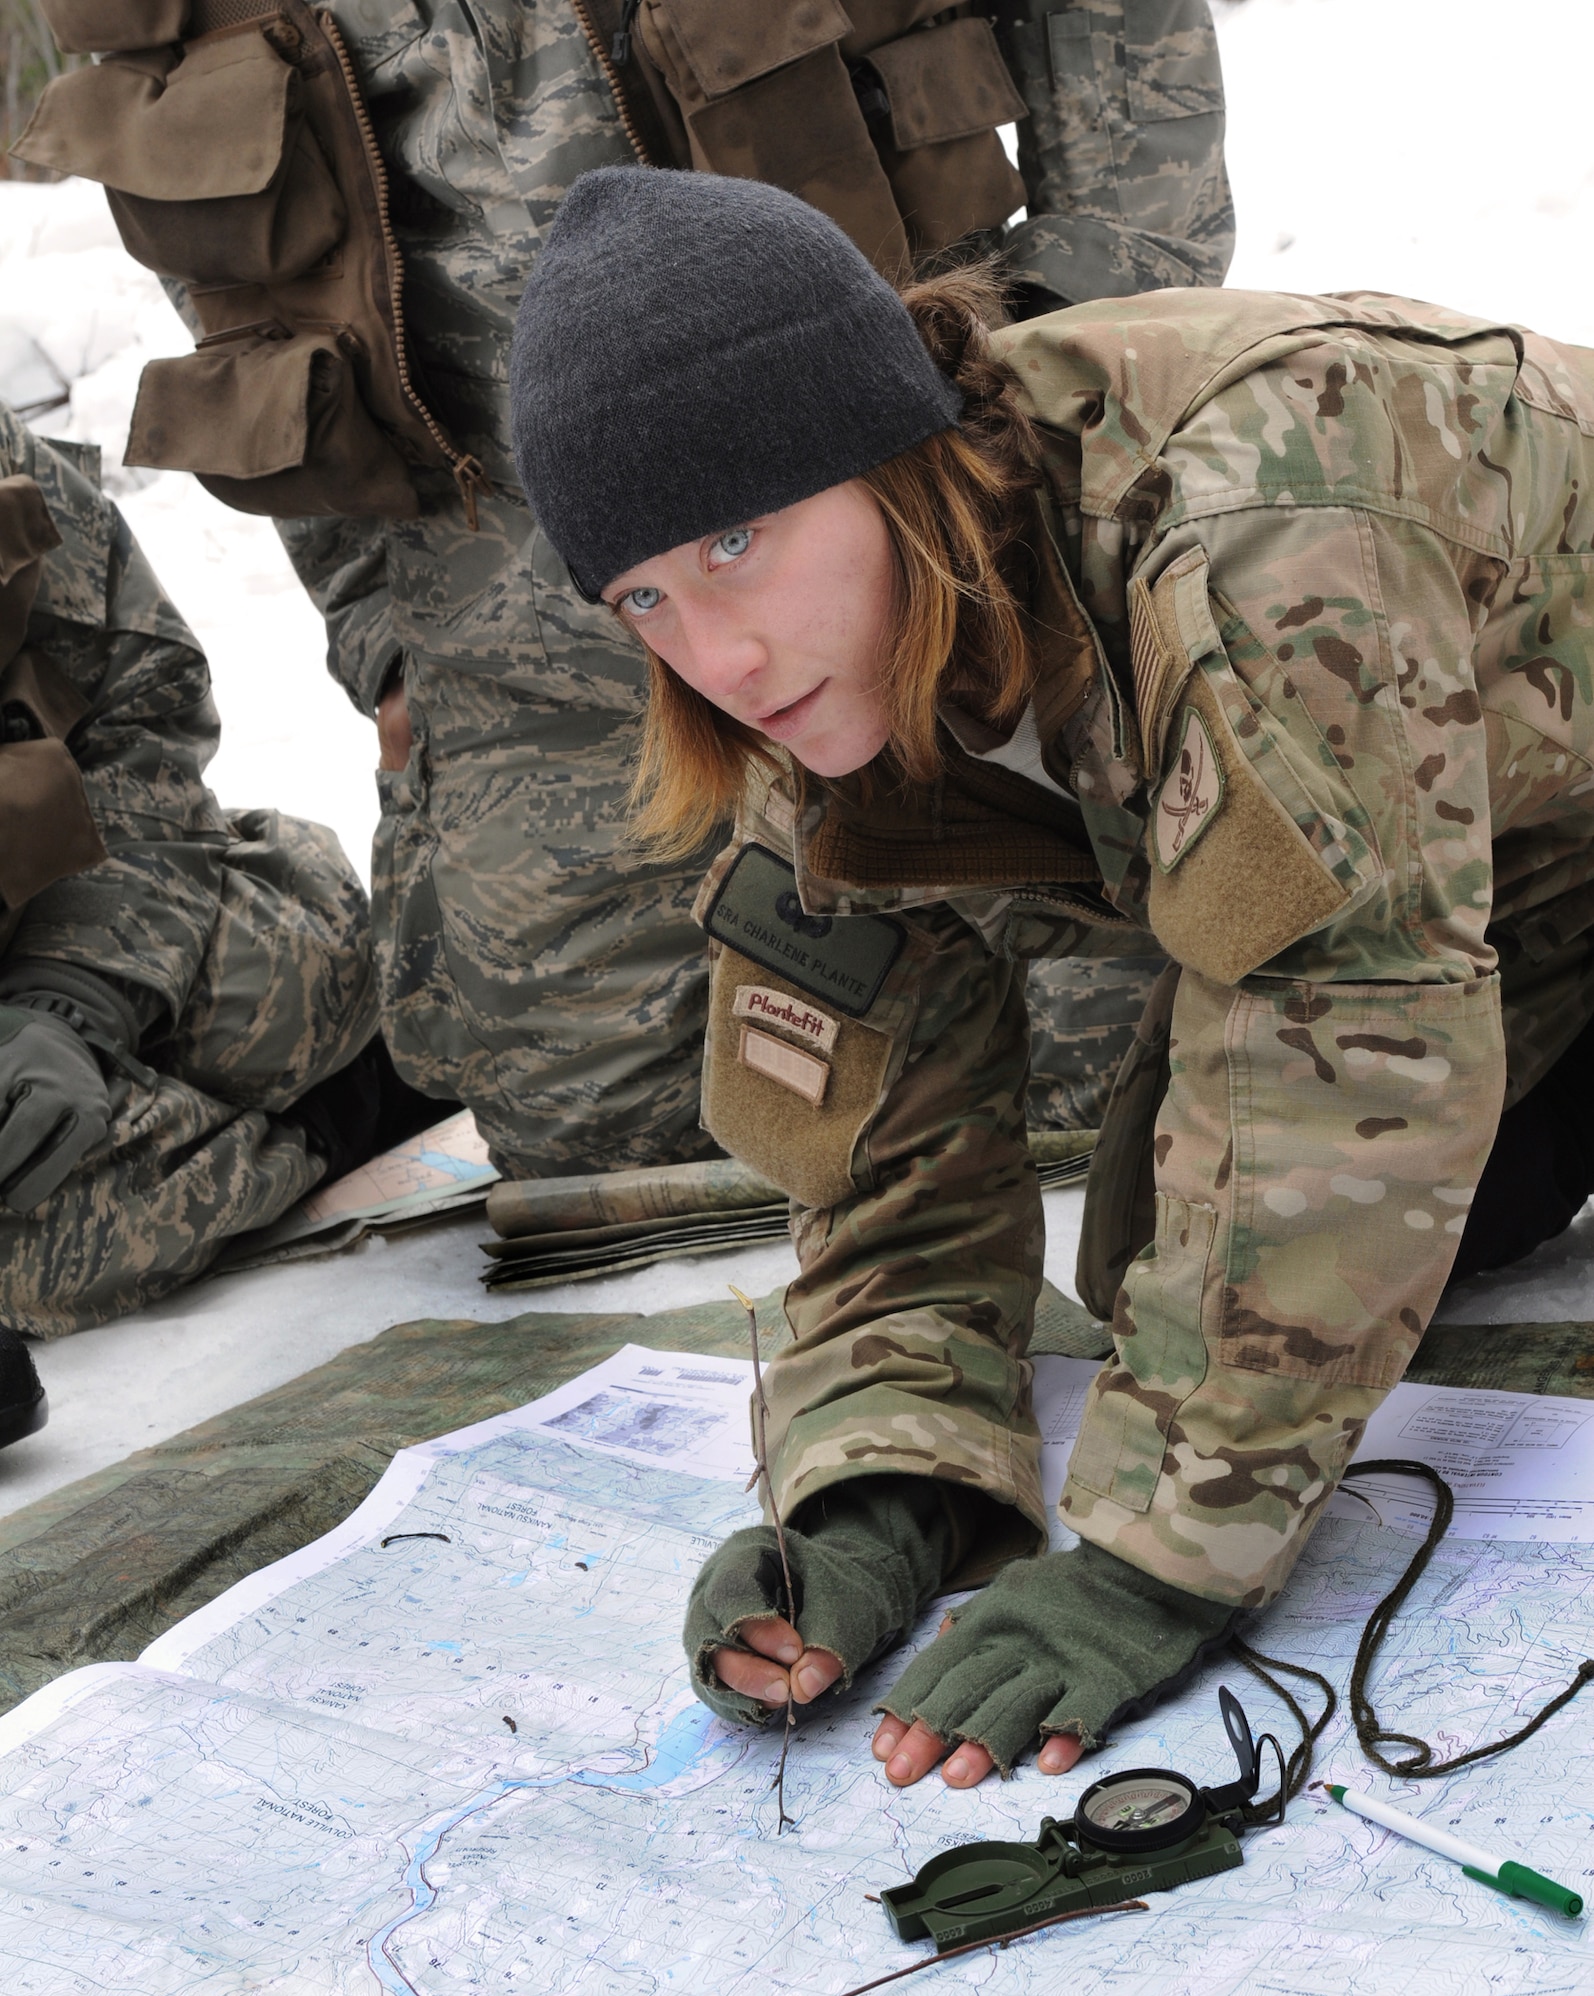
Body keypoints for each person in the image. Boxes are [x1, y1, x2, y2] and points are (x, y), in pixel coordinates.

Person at [507, 167, 1594, 1789]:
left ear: (883, 461)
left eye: (738, 540)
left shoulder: (1252, 545)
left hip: (1513, 774)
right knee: (1172, 1255)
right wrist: (877, 1490)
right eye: (646, 596)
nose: (714, 656)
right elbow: (886, 1165)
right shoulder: (810, 683)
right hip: (1514, 832)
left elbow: (1344, 1055)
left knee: (1289, 1268)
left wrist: (1155, 1564)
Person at [18, 0, 1233, 1175]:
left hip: (903, 516)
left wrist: (1052, 396)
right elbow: (240, 292)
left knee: (1115, 1085)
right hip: (503, 622)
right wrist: (386, 646)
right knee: (595, 1143)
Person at [0, 403, 416, 1361]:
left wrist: (69, 1000)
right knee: (33, 1236)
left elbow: (139, 719)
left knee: (294, 978)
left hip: (40, 913)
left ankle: (344, 1076)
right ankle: (312, 1138)